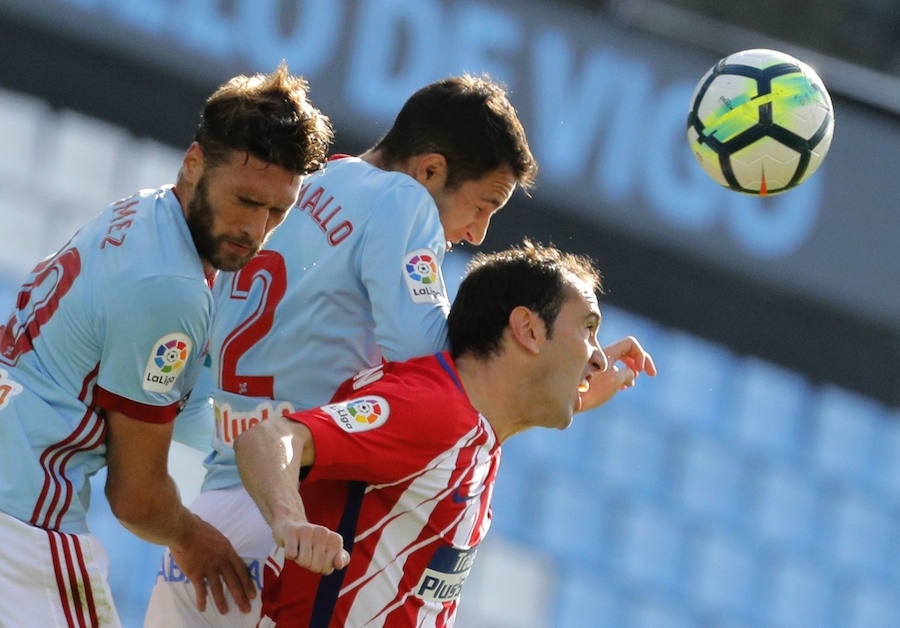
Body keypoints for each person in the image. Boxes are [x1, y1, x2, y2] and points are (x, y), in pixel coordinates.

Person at [146, 73, 538, 626]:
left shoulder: (296, 189)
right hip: (289, 526)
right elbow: (432, 366)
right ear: (430, 170)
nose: (477, 233)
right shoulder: (402, 201)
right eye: (484, 205)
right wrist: (538, 363)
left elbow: (198, 399)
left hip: (209, 519)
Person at [0, 62, 332, 627]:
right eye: (247, 200)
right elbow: (135, 496)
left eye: (278, 211)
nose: (256, 229)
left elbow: (175, 408)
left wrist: (268, 443)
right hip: (22, 522)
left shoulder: (146, 209)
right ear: (194, 163)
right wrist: (193, 538)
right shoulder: (170, 290)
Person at [233, 240, 657, 626]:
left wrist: (572, 392)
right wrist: (289, 521)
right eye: (588, 328)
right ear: (528, 330)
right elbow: (269, 440)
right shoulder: (433, 412)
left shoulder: (478, 430)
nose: (601, 357)